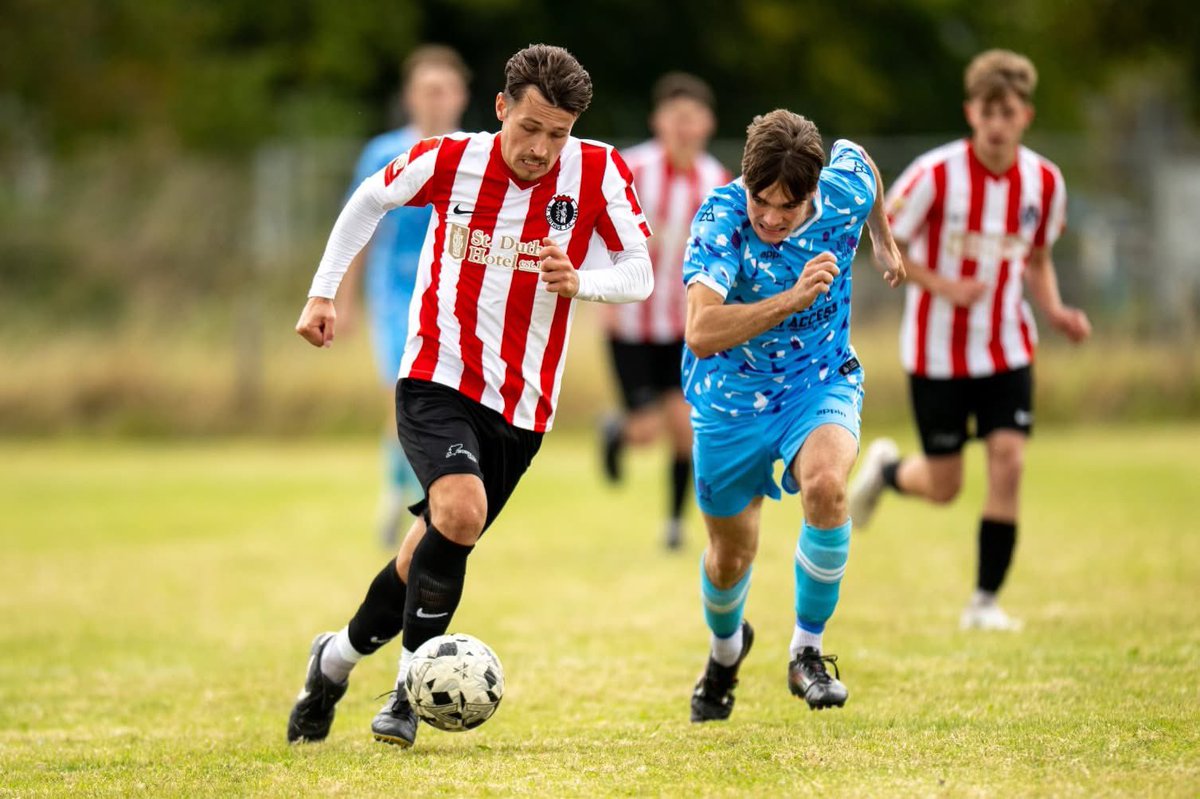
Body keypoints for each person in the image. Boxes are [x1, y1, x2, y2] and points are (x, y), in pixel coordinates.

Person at [287, 44, 653, 749]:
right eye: (530, 129)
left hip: (523, 407)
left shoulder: (600, 171)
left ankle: (333, 659)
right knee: (460, 508)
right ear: (500, 109)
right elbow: (369, 199)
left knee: (431, 541)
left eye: (559, 133)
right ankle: (407, 688)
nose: (543, 149)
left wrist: (584, 279)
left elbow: (639, 268)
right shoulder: (451, 158)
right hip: (436, 374)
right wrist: (322, 291)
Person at [849, 49, 1091, 631]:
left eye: (1007, 111)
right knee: (944, 486)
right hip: (937, 354)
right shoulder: (934, 176)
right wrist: (940, 285)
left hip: (1008, 348)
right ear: (970, 113)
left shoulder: (1045, 181)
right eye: (987, 111)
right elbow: (882, 240)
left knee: (1009, 460)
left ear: (1025, 116)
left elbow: (1037, 258)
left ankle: (984, 602)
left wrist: (1055, 310)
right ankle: (885, 474)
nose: (997, 123)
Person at [682, 110, 905, 721]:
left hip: (820, 382)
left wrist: (880, 236)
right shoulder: (721, 218)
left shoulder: (843, 192)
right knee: (730, 556)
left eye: (790, 205)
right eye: (762, 201)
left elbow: (862, 159)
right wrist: (792, 299)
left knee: (829, 486)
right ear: (745, 182)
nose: (773, 218)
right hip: (729, 398)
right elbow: (701, 331)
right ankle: (724, 655)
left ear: (815, 192)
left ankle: (807, 651)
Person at [336, 45, 470, 548]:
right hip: (395, 295)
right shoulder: (382, 154)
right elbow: (357, 229)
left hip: (453, 297)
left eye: (445, 89)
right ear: (410, 97)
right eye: (426, 90)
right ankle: (407, 497)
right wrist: (338, 298)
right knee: (405, 393)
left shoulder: (475, 152)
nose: (436, 99)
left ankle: (419, 495)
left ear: (461, 95)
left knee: (445, 400)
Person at [598, 72, 730, 550]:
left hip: (682, 326)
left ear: (707, 124)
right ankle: (618, 430)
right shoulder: (632, 170)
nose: (684, 128)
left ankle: (673, 525)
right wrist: (602, 297)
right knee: (646, 431)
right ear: (658, 122)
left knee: (685, 430)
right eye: (675, 118)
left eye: (692, 119)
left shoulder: (718, 181)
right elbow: (596, 229)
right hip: (630, 321)